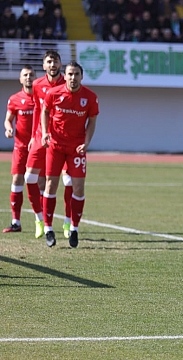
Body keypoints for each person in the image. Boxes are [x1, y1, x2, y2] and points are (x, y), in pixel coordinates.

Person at [41, 61, 99, 248]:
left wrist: (87, 142)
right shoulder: (53, 93)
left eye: (76, 74)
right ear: (64, 76)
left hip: (76, 148)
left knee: (79, 187)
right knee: (51, 184)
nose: (73, 78)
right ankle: (48, 228)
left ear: (82, 76)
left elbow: (92, 121)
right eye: (70, 74)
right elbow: (45, 111)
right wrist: (44, 132)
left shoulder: (90, 97)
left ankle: (74, 228)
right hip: (56, 146)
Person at [26, 50, 74, 240]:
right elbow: (38, 110)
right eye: (49, 62)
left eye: (55, 62)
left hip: (63, 139)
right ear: (44, 65)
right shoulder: (37, 85)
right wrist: (32, 137)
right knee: (29, 178)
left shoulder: (68, 83)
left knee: (68, 181)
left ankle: (68, 222)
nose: (52, 65)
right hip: (40, 136)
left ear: (60, 65)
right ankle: (39, 220)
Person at [3, 65, 36, 233]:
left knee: (40, 183)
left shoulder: (41, 97)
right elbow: (8, 120)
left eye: (31, 75)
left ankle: (43, 220)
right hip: (20, 147)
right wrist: (8, 128)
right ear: (20, 78)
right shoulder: (15, 99)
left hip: (38, 147)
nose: (28, 77)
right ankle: (16, 222)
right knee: (17, 180)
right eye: (25, 75)